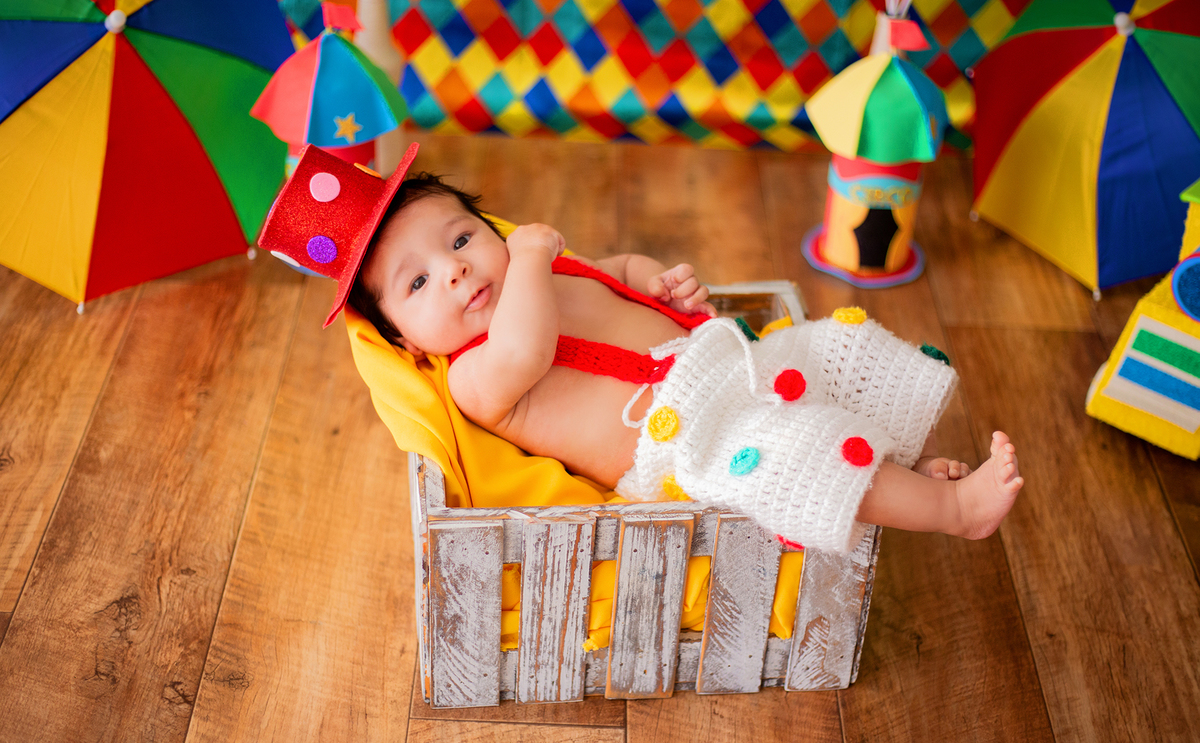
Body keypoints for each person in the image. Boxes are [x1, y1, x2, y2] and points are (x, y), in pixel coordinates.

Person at [260, 143, 1022, 554]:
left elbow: (613, 274)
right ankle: (953, 508)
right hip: (686, 445)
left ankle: (899, 470)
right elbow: (531, 348)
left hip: (727, 363)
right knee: (803, 456)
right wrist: (523, 258)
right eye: (418, 282)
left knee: (832, 357)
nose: (456, 268)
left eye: (461, 237)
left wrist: (658, 283)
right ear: (403, 338)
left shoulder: (544, 268)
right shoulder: (474, 375)